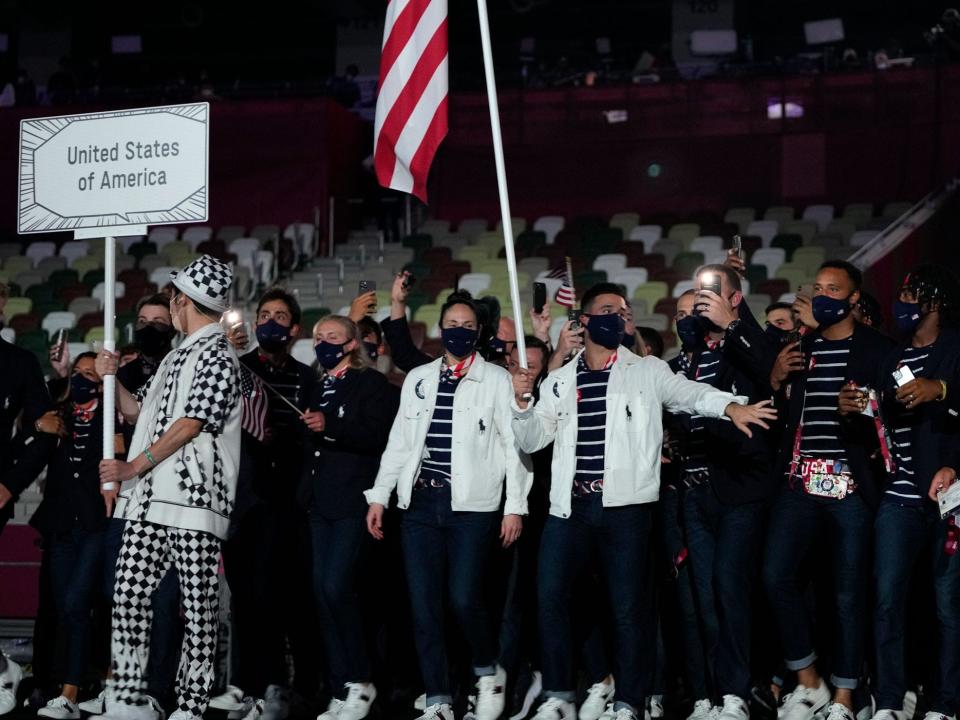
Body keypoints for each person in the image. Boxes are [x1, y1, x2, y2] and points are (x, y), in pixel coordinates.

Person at [510, 282, 776, 720]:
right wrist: (522, 401)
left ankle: (629, 701)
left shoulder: (648, 370)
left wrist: (730, 407)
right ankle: (558, 696)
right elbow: (533, 437)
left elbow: (690, 394)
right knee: (551, 597)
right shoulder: (559, 381)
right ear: (587, 320)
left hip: (626, 511)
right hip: (569, 510)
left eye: (624, 310)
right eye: (609, 309)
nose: (619, 316)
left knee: (628, 608)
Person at [365, 290, 532, 720]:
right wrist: (380, 495)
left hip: (472, 507)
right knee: (423, 606)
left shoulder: (496, 380)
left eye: (468, 326)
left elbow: (513, 446)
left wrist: (514, 505)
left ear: (479, 333)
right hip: (420, 504)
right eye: (452, 325)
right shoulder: (420, 378)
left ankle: (485, 669)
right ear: (441, 329)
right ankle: (437, 699)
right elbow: (400, 443)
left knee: (463, 598)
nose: (459, 332)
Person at [94, 255, 242, 720]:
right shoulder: (179, 354)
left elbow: (193, 422)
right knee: (128, 594)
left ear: (184, 301)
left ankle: (192, 704)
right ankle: (129, 695)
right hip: (151, 500)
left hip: (195, 501)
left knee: (197, 605)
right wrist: (111, 377)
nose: (171, 305)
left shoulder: (219, 354)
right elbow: (141, 413)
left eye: (174, 297)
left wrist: (132, 466)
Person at [762, 261, 895, 720]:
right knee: (775, 576)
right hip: (799, 482)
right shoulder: (802, 346)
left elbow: (895, 413)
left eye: (833, 289)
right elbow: (782, 414)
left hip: (851, 486)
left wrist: (862, 406)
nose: (822, 295)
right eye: (816, 287)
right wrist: (777, 377)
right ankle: (809, 679)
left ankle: (844, 695)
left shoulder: (879, 349)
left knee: (846, 595)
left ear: (854, 299)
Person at [668, 265, 779, 720]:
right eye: (695, 298)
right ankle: (713, 695)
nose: (699, 303)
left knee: (730, 588)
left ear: (734, 300)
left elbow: (772, 368)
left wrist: (734, 326)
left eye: (710, 295)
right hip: (692, 491)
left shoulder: (747, 346)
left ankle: (736, 692)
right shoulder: (682, 361)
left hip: (739, 490)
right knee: (704, 597)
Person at [215, 288, 319, 720]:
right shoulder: (238, 369)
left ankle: (280, 686)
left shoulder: (308, 377)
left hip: (289, 507)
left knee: (280, 598)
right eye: (264, 314)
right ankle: (245, 684)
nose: (270, 321)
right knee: (245, 598)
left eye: (280, 316)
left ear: (294, 328)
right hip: (242, 504)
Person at [868, 266, 960, 720]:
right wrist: (858, 408)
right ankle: (890, 700)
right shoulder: (893, 355)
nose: (901, 303)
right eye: (899, 295)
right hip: (899, 493)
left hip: (950, 494)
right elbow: (883, 415)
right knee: (887, 601)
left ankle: (946, 702)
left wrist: (940, 388)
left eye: (910, 295)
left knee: (947, 606)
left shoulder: (956, 346)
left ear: (934, 303)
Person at [301, 316, 399, 720]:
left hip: (353, 500)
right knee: (323, 595)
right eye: (319, 337)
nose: (325, 343)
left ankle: (362, 680)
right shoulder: (313, 384)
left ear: (351, 344)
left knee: (338, 587)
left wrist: (332, 426)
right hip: (317, 502)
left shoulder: (372, 385)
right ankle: (343, 686)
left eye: (333, 338)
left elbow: (379, 436)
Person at [28, 354, 111, 720]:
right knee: (66, 610)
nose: (81, 380)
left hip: (96, 524)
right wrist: (56, 380)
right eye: (76, 373)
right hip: (61, 525)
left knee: (78, 603)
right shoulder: (59, 415)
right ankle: (70, 686)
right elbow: (36, 409)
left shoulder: (111, 419)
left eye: (89, 375)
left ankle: (72, 690)